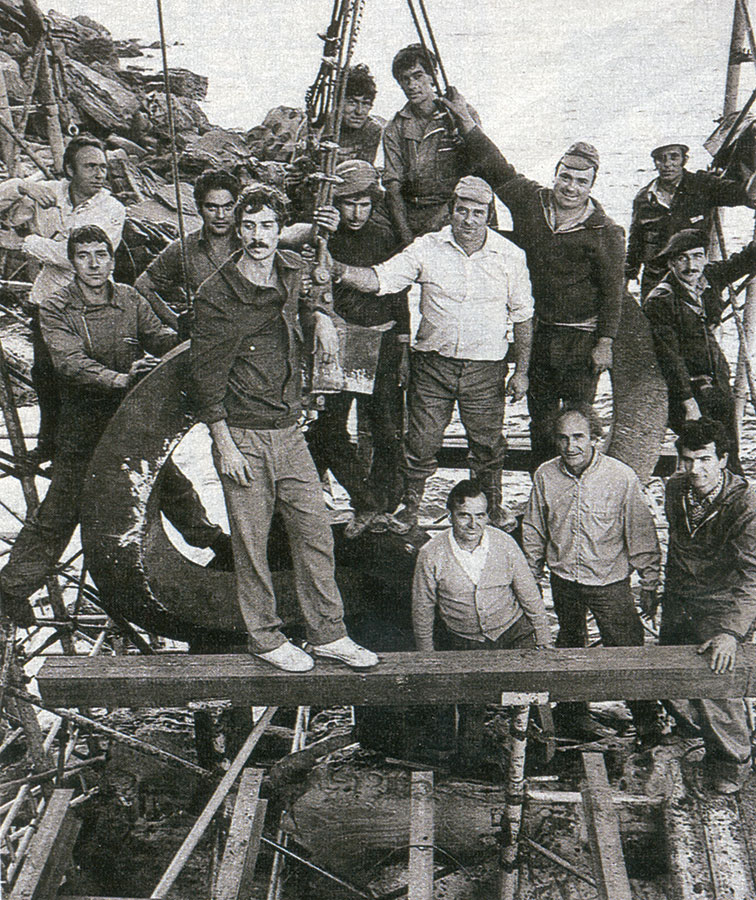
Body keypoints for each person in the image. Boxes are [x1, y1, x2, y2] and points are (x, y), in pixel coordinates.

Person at [190, 182, 378, 672]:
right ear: (237, 229)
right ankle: (265, 638)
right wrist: (224, 445)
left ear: (279, 229)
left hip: (290, 430)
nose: (258, 236)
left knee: (314, 533)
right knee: (251, 545)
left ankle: (329, 634)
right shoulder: (216, 294)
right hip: (243, 436)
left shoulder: (292, 270)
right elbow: (205, 379)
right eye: (249, 226)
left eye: (267, 226)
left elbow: (313, 296)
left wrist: (321, 319)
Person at [328, 174, 534, 532]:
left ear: (489, 215)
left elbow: (523, 316)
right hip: (432, 367)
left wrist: (522, 372)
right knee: (420, 444)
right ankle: (410, 509)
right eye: (462, 210)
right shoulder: (427, 247)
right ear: (451, 210)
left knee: (487, 446)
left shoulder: (510, 256)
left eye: (478, 213)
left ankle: (491, 508)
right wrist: (337, 270)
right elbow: (382, 280)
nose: (468, 220)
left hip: (485, 370)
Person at [0, 225, 175, 626]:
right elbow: (69, 363)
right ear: (72, 262)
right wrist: (121, 379)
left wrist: (181, 336)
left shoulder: (129, 298)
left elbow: (158, 336)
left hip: (128, 418)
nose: (94, 265)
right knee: (61, 511)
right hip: (81, 423)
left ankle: (218, 548)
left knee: (172, 487)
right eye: (83, 256)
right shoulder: (56, 307)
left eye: (101, 255)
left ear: (112, 260)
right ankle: (9, 590)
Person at [441, 89, 624, 469]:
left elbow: (612, 293)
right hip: (539, 336)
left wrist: (605, 342)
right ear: (555, 174)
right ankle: (543, 489)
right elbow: (497, 168)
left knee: (577, 424)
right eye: (565, 177)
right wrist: (467, 122)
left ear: (591, 186)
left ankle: (580, 487)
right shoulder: (532, 201)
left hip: (580, 342)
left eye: (581, 181)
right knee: (542, 424)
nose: (570, 187)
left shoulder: (605, 231)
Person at [281, 159, 410, 535]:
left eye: (364, 204)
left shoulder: (385, 237)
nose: (356, 213)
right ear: (335, 204)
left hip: (382, 340)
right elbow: (284, 238)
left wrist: (403, 345)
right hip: (336, 341)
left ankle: (382, 508)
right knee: (329, 429)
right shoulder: (322, 237)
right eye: (348, 204)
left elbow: (398, 292)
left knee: (387, 431)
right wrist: (316, 228)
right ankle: (363, 501)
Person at [522, 404, 662, 744]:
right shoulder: (544, 475)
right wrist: (530, 579)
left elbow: (641, 533)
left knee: (628, 651)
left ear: (594, 437)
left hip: (609, 582)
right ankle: (573, 715)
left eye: (578, 437)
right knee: (570, 646)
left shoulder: (620, 477)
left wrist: (650, 581)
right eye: (563, 438)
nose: (571, 446)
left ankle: (648, 726)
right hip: (564, 580)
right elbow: (534, 529)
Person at [0, 135, 126, 463]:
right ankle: (49, 445)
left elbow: (77, 258)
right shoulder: (49, 192)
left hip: (90, 308)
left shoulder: (112, 209)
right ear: (69, 169)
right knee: (45, 377)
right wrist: (21, 186)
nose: (99, 174)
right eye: (90, 167)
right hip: (47, 301)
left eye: (103, 167)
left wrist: (26, 242)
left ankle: (87, 454)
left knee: (86, 381)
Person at [412, 478, 552, 766]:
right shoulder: (431, 553)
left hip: (512, 631)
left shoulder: (505, 544)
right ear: (450, 515)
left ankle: (543, 753)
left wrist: (543, 637)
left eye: (480, 515)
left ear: (488, 515)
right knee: (471, 705)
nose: (473, 524)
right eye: (464, 515)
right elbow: (422, 608)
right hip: (465, 640)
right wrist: (427, 656)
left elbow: (529, 594)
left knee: (533, 692)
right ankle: (471, 763)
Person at [654, 419, 756, 793]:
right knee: (669, 676)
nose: (695, 469)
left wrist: (731, 632)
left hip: (722, 605)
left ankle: (734, 760)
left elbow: (752, 575)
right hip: (681, 600)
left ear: (723, 459)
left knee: (716, 680)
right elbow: (677, 547)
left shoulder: (746, 504)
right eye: (687, 459)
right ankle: (698, 733)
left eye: (705, 459)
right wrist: (659, 591)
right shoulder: (674, 488)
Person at [643, 228, 756, 474]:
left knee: (729, 455)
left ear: (705, 258)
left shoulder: (708, 278)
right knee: (702, 457)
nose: (691, 266)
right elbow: (669, 358)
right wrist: (689, 404)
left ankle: (734, 492)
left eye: (697, 257)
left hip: (717, 385)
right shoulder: (661, 300)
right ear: (671, 263)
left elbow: (744, 261)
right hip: (688, 392)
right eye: (682, 258)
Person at [626, 141, 755, 299]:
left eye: (674, 157)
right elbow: (636, 242)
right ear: (655, 163)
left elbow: (743, 195)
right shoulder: (644, 198)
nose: (667, 164)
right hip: (656, 280)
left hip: (695, 276)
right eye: (661, 159)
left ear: (684, 160)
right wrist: (628, 273)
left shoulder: (703, 185)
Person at [383, 44, 479, 243]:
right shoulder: (395, 126)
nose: (412, 85)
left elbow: (477, 172)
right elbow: (393, 187)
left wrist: (441, 223)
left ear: (432, 76)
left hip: (456, 213)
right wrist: (407, 239)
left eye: (418, 76)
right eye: (405, 79)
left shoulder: (461, 114)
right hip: (412, 214)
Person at [135, 169, 241, 334]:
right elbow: (142, 285)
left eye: (228, 207)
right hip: (207, 336)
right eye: (211, 207)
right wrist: (176, 322)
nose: (220, 215)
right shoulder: (185, 247)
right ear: (199, 208)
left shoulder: (250, 242)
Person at [338, 64, 383, 165]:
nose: (359, 111)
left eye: (365, 103)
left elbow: (362, 168)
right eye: (352, 102)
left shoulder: (371, 130)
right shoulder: (321, 125)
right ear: (337, 103)